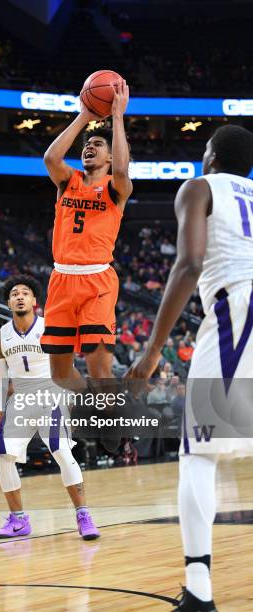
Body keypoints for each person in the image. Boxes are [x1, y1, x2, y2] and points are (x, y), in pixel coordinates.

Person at [126, 124, 253, 611]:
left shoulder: (200, 186)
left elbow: (190, 262)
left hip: (235, 308)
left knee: (198, 454)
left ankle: (199, 592)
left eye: (203, 147)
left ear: (213, 154)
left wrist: (154, 347)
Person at [0, 275, 99, 540]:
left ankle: (83, 514)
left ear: (34, 301)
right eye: (14, 293)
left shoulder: (50, 327)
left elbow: (66, 366)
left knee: (61, 451)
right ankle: (18, 520)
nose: (19, 296)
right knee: (4, 456)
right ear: (8, 302)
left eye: (24, 293)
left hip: (51, 394)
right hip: (20, 400)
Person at [40, 80, 132, 390]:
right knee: (59, 373)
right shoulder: (68, 180)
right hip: (61, 279)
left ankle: (112, 430)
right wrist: (85, 115)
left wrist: (117, 116)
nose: (89, 147)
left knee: (100, 372)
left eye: (97, 145)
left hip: (97, 282)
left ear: (110, 157)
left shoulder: (116, 187)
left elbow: (121, 171)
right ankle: (93, 411)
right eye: (86, 145)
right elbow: (51, 158)